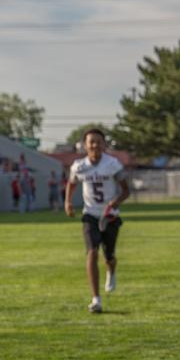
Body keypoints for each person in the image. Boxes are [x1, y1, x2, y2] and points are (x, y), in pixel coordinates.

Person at [65, 128, 131, 313]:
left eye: (98, 142)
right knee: (92, 252)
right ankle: (96, 299)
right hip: (90, 215)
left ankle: (111, 270)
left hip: (109, 216)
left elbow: (126, 190)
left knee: (109, 255)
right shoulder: (79, 166)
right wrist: (68, 203)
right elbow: (71, 183)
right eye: (91, 142)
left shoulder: (112, 164)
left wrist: (116, 202)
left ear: (104, 145)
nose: (95, 145)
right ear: (85, 145)